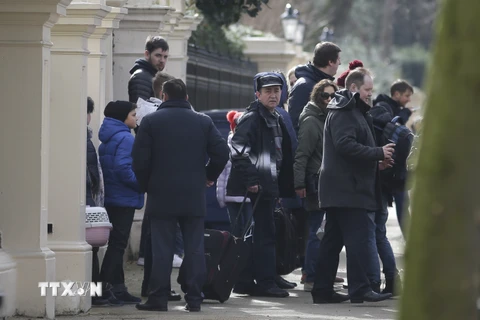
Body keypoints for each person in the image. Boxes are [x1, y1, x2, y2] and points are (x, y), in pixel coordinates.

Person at [133, 79, 229, 312]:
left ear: (163, 96)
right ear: (187, 98)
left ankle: (158, 297)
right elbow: (222, 152)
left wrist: (147, 185)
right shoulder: (202, 122)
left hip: (161, 193)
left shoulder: (150, 121)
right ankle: (194, 298)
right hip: (193, 195)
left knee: (161, 249)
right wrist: (208, 176)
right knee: (194, 247)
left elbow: (139, 161)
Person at [311, 68, 393, 304]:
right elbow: (345, 145)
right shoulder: (345, 110)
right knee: (357, 240)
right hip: (348, 190)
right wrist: (378, 153)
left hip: (344, 188)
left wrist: (376, 162)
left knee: (333, 241)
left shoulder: (351, 109)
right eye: (368, 90)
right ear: (354, 88)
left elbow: (347, 151)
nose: (370, 94)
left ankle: (323, 290)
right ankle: (359, 289)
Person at [227, 73, 295, 298]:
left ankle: (262, 278)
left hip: (267, 188)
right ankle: (262, 282)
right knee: (260, 235)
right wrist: (252, 180)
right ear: (258, 94)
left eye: (276, 91)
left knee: (267, 233)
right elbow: (237, 150)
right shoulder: (252, 117)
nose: (273, 95)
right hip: (254, 188)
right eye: (268, 91)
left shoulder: (274, 116)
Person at [293, 79, 344, 292]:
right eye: (325, 95)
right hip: (314, 183)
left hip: (321, 181)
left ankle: (318, 273)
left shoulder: (323, 117)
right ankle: (312, 276)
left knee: (322, 231)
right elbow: (302, 155)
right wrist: (299, 183)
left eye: (333, 96)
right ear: (317, 96)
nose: (329, 99)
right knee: (316, 231)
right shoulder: (312, 121)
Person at [137, 71, 183, 302]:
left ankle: (154, 286)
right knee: (161, 244)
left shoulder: (147, 114)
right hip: (169, 187)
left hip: (156, 187)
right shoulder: (158, 115)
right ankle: (158, 287)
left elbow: (141, 158)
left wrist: (146, 184)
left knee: (154, 241)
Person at [98, 100, 144, 304]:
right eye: (133, 114)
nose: (136, 118)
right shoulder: (126, 138)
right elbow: (123, 169)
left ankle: (118, 288)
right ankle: (105, 287)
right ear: (122, 117)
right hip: (123, 197)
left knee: (116, 243)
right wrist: (141, 184)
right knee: (118, 245)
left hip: (112, 196)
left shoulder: (109, 137)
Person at [370, 80, 415, 240]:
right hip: (389, 168)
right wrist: (404, 115)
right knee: (400, 207)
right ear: (396, 94)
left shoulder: (394, 107)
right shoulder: (383, 106)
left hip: (394, 168)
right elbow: (391, 128)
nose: (408, 99)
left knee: (403, 205)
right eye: (406, 96)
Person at [86, 97, 112, 306]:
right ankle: (93, 293)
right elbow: (93, 175)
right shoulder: (85, 138)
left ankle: (94, 292)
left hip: (86, 197)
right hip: (87, 199)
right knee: (91, 247)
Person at [288, 42, 341, 132]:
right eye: (338, 59)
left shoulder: (320, 83)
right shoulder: (304, 86)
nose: (340, 63)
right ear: (330, 62)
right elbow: (295, 124)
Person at [128, 36, 169, 103]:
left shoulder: (151, 76)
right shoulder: (141, 77)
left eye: (165, 57)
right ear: (147, 54)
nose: (162, 60)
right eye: (158, 55)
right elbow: (140, 109)